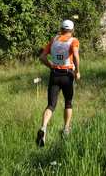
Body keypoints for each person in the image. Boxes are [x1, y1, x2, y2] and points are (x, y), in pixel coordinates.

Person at [36, 19, 80, 147]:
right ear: (72, 30)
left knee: (51, 104)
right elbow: (76, 56)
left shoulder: (54, 40)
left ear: (61, 29)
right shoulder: (74, 41)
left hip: (54, 75)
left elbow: (42, 57)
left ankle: (43, 128)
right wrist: (77, 71)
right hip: (67, 75)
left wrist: (51, 66)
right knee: (68, 102)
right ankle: (66, 129)